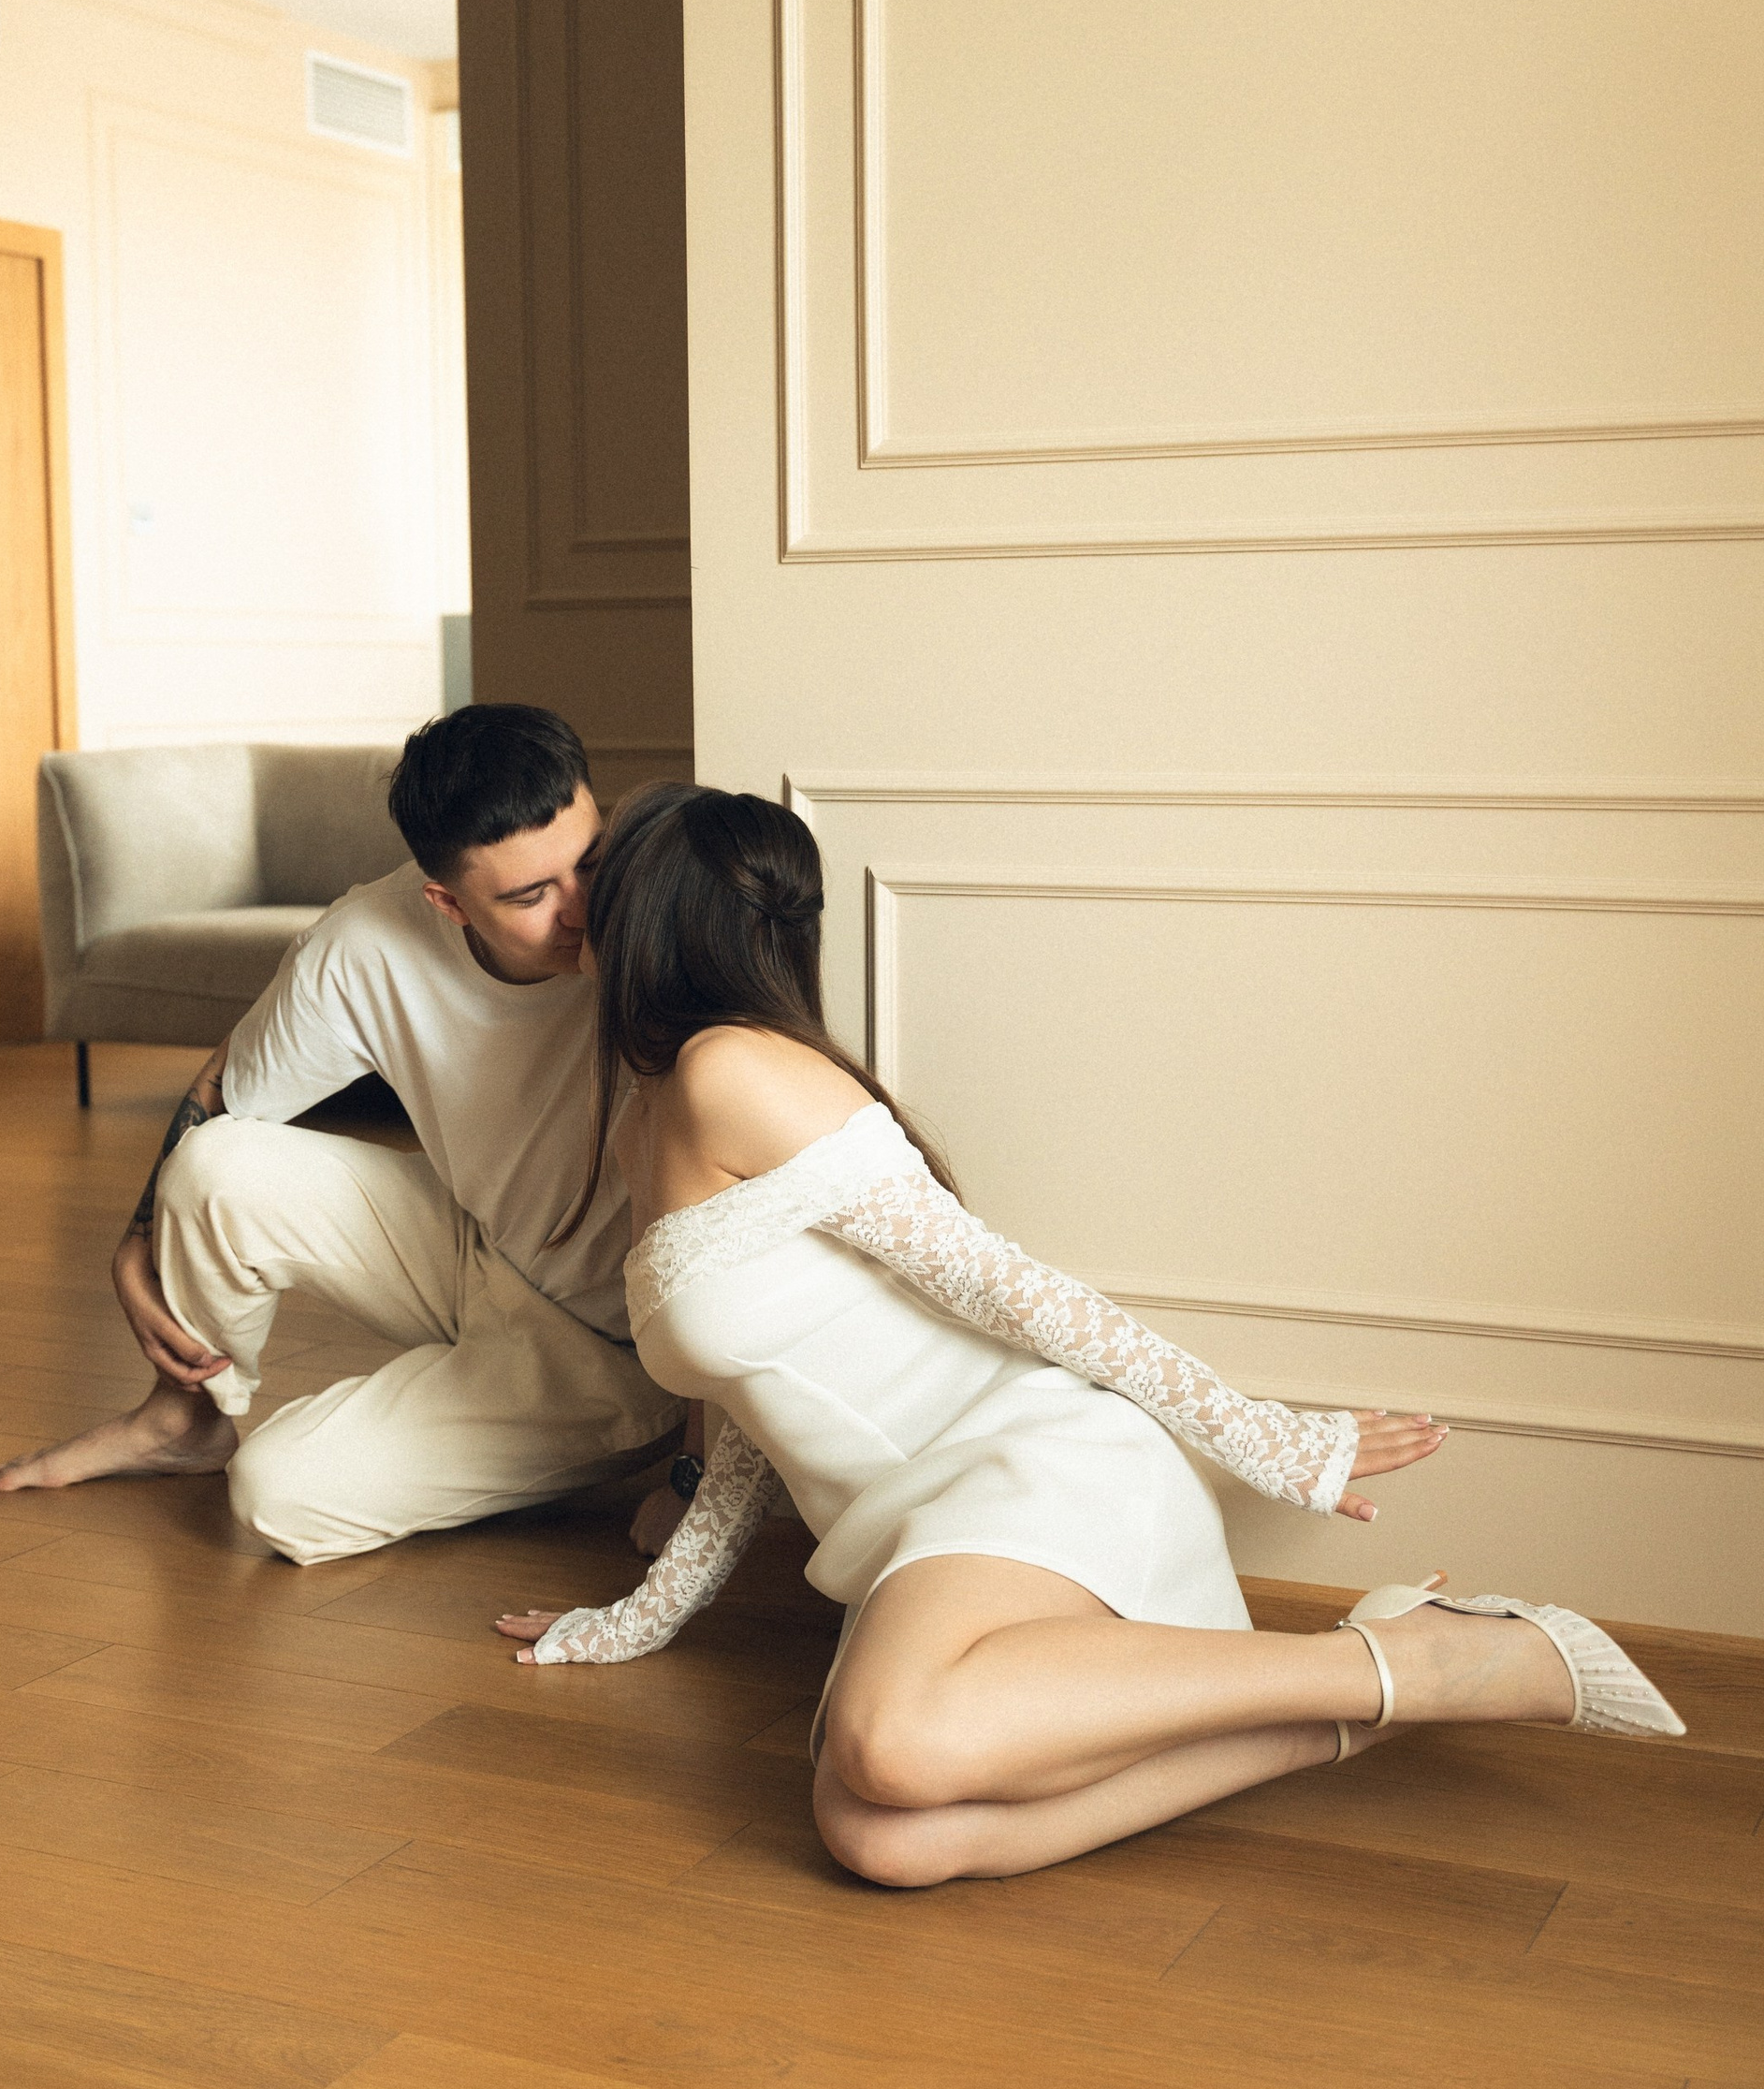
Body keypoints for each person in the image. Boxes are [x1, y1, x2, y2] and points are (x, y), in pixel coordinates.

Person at [494, 783, 1685, 1887]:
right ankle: (1357, 1696)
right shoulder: (652, 1112)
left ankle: (1416, 1665)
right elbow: (760, 1402)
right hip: (924, 1519)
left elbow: (1013, 1291)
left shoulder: (732, 1073)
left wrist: (1265, 1438)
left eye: (597, 872)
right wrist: (641, 1615)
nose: (576, 901)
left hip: (1034, 1469)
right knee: (879, 1838)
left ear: (656, 909)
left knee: (890, 1745)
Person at [0, 707, 699, 1565]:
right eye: (529, 895)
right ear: (448, 903)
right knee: (213, 1162)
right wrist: (137, 1238)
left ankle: (546, 1429)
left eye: (588, 860)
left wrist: (695, 1474)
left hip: (616, 1350)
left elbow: (745, 1204)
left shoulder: (662, 916)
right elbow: (229, 1088)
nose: (581, 908)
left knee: (276, 1494)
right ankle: (183, 1421)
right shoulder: (369, 937)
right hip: (480, 1251)